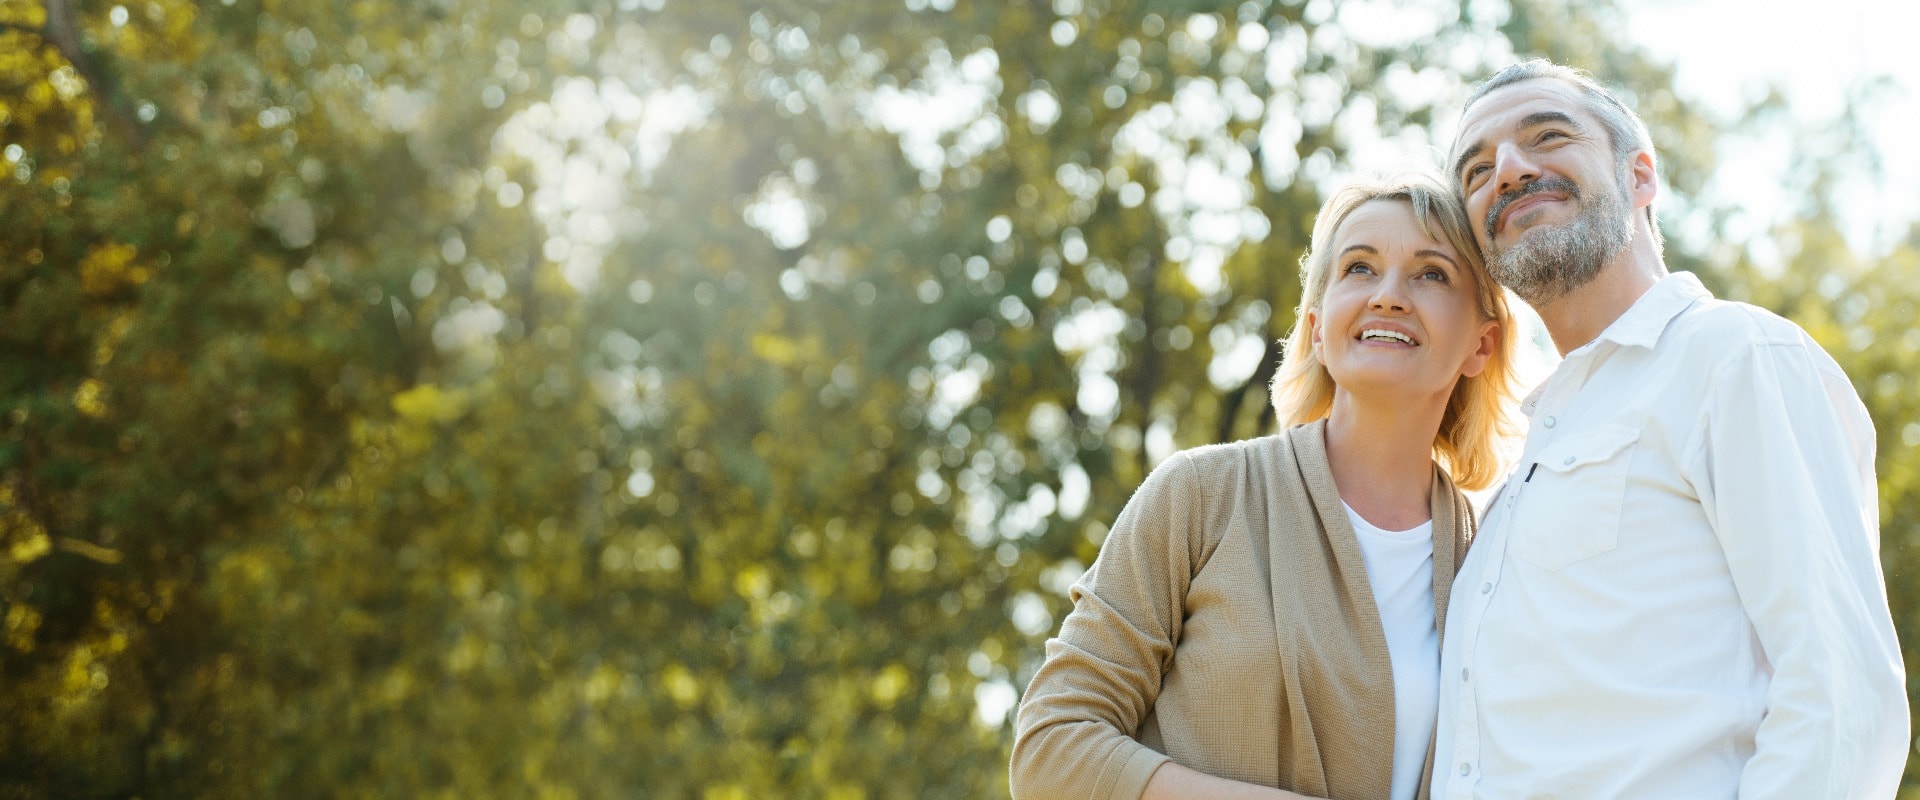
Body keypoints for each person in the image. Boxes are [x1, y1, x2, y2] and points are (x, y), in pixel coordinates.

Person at [1431, 59, 1909, 798]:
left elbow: (1840, 696)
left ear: (1641, 176)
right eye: (1475, 171)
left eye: (1547, 137)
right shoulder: (1517, 469)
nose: (1508, 170)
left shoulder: (1735, 357)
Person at [1010, 172, 1521, 800]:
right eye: (1359, 268)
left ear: (1482, 343)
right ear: (1316, 326)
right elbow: (1051, 744)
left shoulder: (1497, 554)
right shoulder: (1200, 495)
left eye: (1432, 274)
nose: (1388, 296)